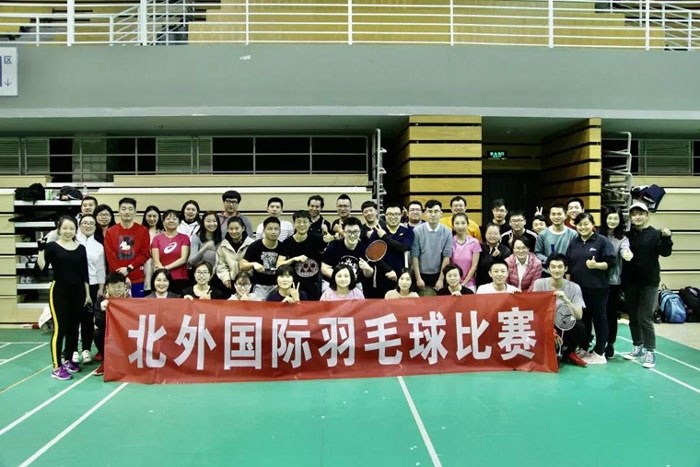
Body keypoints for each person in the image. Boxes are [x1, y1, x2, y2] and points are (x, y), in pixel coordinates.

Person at [38, 216, 91, 380]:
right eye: (65, 228)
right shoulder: (52, 247)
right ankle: (56, 367)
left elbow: (85, 274)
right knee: (59, 329)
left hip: (78, 293)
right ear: (59, 229)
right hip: (59, 292)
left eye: (71, 228)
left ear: (76, 230)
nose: (68, 231)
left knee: (73, 328)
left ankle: (68, 360)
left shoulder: (81, 249)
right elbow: (41, 268)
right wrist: (40, 249)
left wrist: (87, 295)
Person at [621, 201, 673, 369]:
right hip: (630, 282)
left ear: (646, 215)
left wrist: (667, 238)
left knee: (645, 316)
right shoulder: (627, 235)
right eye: (634, 214)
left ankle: (650, 350)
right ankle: (638, 346)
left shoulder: (656, 234)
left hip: (649, 282)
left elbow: (665, 252)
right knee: (633, 316)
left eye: (640, 214)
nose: (637, 217)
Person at [566, 212, 616, 365]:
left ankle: (600, 352)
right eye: (580, 224)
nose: (583, 227)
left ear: (592, 225)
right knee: (584, 320)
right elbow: (569, 266)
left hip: (598, 289)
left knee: (599, 319)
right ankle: (584, 347)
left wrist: (596, 265)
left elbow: (611, 263)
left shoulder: (602, 241)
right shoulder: (574, 242)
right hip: (579, 290)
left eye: (586, 224)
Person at [532, 254, 588, 368]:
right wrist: (551, 330)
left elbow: (579, 315)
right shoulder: (539, 284)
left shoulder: (574, 287)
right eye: (553, 267)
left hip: (563, 323)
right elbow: (535, 310)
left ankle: (569, 352)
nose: (556, 270)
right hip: (545, 323)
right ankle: (551, 351)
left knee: (580, 326)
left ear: (565, 269)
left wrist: (566, 300)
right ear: (548, 269)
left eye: (560, 267)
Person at [599, 206, 633, 359]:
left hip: (612, 282)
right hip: (596, 281)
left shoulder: (622, 239)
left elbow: (625, 250)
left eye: (615, 218)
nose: (612, 221)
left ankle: (610, 344)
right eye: (609, 218)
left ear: (620, 221)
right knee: (597, 314)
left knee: (610, 314)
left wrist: (627, 254)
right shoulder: (598, 235)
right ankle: (597, 342)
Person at [104, 197, 151, 298]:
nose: (127, 212)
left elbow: (145, 253)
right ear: (118, 211)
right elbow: (110, 256)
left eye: (130, 209)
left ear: (135, 212)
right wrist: (122, 275)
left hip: (137, 278)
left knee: (138, 306)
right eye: (124, 209)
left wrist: (129, 268)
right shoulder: (110, 231)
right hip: (116, 280)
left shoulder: (143, 230)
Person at [363, 203, 413, 298]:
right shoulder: (376, 232)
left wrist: (384, 237)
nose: (393, 217)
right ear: (385, 216)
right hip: (382, 276)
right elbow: (373, 256)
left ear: (401, 215)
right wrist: (388, 270)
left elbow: (403, 248)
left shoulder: (408, 232)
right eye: (390, 214)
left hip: (401, 278)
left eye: (396, 214)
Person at [74, 213, 105, 364]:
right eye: (85, 223)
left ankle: (86, 349)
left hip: (92, 286)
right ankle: (72, 350)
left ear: (95, 227)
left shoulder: (99, 246)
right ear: (79, 225)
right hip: (74, 285)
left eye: (91, 223)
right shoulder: (72, 242)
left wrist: (101, 287)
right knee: (73, 319)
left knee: (87, 320)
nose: (88, 226)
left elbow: (100, 269)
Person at [277, 210, 325, 300]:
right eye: (298, 222)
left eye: (305, 222)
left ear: (310, 223)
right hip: (295, 284)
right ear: (294, 223)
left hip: (314, 283)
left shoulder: (318, 239)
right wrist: (293, 259)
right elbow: (279, 264)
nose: (302, 225)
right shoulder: (287, 243)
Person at [411, 199, 452, 296]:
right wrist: (418, 278)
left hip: (439, 273)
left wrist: (441, 279)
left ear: (441, 213)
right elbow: (414, 255)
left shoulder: (447, 231)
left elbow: (446, 256)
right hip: (420, 273)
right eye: (430, 211)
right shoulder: (417, 231)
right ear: (425, 213)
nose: (433, 214)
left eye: (436, 211)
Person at [321, 216, 373, 291]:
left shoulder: (365, 248)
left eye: (355, 232)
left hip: (355, 284)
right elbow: (324, 269)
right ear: (344, 232)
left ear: (360, 232)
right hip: (333, 282)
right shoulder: (334, 246)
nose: (352, 235)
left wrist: (367, 269)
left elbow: (368, 275)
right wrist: (345, 278)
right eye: (349, 232)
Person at [93, 272, 129, 376]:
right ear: (107, 288)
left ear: (125, 287)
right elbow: (99, 324)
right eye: (113, 287)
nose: (117, 290)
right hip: (109, 333)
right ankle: (106, 360)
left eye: (120, 286)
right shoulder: (101, 301)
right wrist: (103, 311)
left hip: (126, 334)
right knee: (97, 333)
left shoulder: (130, 301)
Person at [241, 216, 283, 299]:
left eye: (276, 229)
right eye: (270, 229)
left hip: (277, 286)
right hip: (259, 286)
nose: (273, 232)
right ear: (264, 230)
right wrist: (253, 264)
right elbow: (242, 265)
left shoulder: (283, 247)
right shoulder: (255, 246)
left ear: (280, 231)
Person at [151, 209, 191, 295]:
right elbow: (156, 260)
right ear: (163, 222)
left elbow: (183, 259)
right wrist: (162, 272)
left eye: (174, 219)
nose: (171, 221)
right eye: (168, 219)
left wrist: (165, 268)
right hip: (162, 279)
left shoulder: (184, 238)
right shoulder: (157, 238)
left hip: (179, 277)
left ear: (179, 222)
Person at [216, 216, 254, 292]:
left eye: (237, 228)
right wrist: (225, 278)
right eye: (231, 229)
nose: (234, 231)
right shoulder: (222, 246)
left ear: (243, 228)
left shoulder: (252, 244)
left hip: (249, 282)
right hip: (231, 283)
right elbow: (221, 265)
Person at [534, 203, 578, 268]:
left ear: (566, 215)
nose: (556, 217)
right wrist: (550, 261)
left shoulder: (573, 234)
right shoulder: (542, 234)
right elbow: (538, 253)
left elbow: (576, 254)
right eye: (553, 214)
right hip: (547, 270)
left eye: (559, 214)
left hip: (567, 270)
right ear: (549, 216)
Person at [189, 211, 223, 291]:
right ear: (203, 222)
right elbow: (192, 261)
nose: (211, 224)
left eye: (214, 221)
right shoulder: (196, 237)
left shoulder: (221, 238)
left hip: (217, 276)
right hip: (200, 276)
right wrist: (205, 248)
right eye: (208, 221)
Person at [450, 212, 481, 291]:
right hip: (452, 283)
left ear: (467, 224)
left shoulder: (474, 242)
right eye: (457, 223)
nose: (460, 226)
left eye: (463, 223)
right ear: (453, 226)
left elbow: (474, 265)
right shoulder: (449, 242)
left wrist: (464, 283)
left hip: (469, 284)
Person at [141, 205, 163, 294]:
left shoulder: (163, 232)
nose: (152, 219)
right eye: (149, 216)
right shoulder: (141, 231)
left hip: (159, 263)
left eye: (154, 216)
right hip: (145, 264)